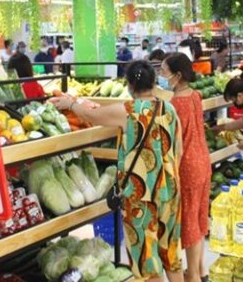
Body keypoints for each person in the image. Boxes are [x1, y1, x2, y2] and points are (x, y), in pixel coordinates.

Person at [51, 61, 183, 282]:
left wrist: (70, 104)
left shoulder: (127, 111)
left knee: (146, 261)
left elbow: (92, 115)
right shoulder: (169, 109)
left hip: (141, 197)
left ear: (129, 85)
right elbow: (179, 148)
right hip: (170, 192)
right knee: (171, 255)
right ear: (154, 82)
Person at [159, 54, 210, 282]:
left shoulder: (174, 105)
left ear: (177, 75)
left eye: (164, 71)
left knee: (188, 223)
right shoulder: (195, 95)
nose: (161, 76)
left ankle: (194, 277)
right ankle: (200, 270)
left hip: (187, 166)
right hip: (202, 161)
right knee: (198, 218)